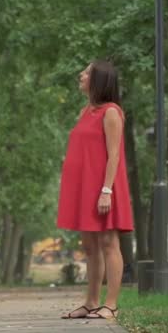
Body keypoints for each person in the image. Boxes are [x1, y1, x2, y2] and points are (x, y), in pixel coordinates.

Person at [57, 60, 134, 320]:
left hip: (104, 187)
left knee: (109, 242)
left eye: (87, 72)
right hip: (85, 187)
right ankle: (90, 302)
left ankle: (110, 304)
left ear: (99, 80)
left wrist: (106, 191)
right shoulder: (86, 110)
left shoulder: (111, 112)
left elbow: (114, 156)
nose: (81, 74)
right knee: (89, 247)